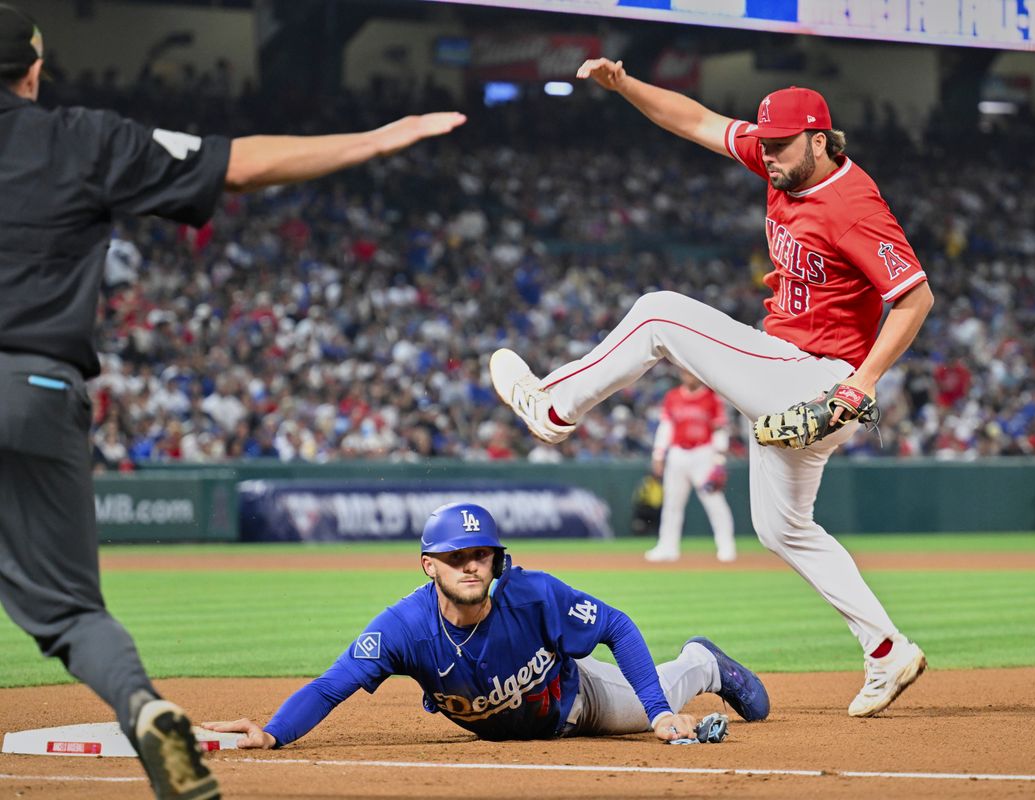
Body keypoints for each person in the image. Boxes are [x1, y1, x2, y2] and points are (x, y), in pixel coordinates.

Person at [0, 5, 464, 798]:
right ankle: (144, 710)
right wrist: (373, 139)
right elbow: (240, 164)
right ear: (34, 72)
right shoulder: (81, 136)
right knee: (75, 615)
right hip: (37, 386)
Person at [490, 57, 934, 718]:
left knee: (659, 313)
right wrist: (625, 85)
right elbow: (694, 119)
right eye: (766, 141)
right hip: (797, 378)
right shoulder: (779, 161)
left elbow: (915, 297)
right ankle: (886, 650)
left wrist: (861, 384)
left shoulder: (851, 202)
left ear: (820, 139)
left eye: (782, 144)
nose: (770, 153)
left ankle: (552, 408)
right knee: (784, 529)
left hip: (821, 379)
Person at [202, 502, 769, 747]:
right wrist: (273, 731)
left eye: (481, 553)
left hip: (580, 700)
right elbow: (331, 686)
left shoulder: (532, 593)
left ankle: (704, 661)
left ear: (497, 558)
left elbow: (616, 626)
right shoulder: (403, 628)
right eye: (455, 556)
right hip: (523, 724)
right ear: (429, 565)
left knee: (661, 698)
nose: (471, 564)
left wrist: (660, 714)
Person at [646, 369, 737, 563]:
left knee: (713, 501)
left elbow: (719, 429)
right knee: (672, 504)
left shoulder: (711, 398)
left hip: (703, 453)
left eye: (692, 374)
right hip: (678, 453)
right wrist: (659, 454)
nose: (689, 377)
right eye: (685, 374)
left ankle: (726, 546)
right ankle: (667, 547)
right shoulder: (673, 396)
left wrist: (719, 459)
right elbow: (666, 427)